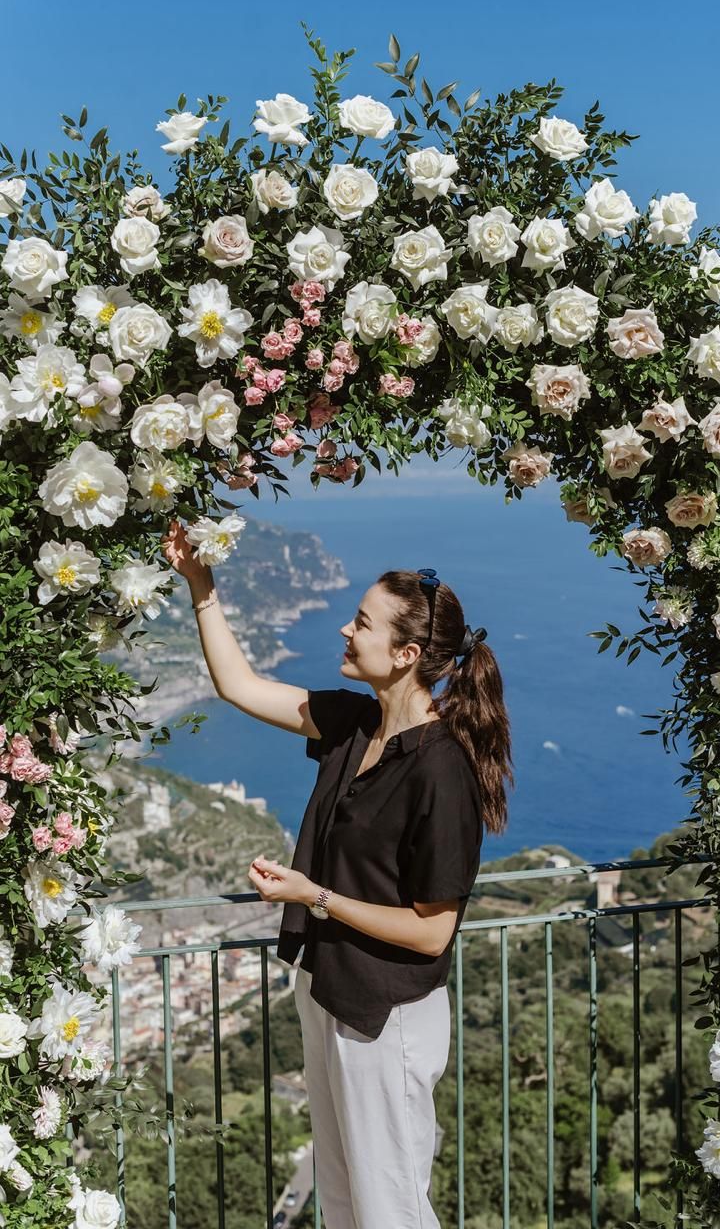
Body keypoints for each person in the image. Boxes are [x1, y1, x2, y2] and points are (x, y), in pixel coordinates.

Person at [162, 519, 514, 1228]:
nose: (346, 634)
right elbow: (239, 686)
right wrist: (202, 587)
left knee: (390, 1207)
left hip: (385, 1018)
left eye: (361, 624)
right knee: (347, 1201)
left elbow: (432, 932)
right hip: (326, 990)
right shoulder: (355, 725)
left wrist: (313, 895)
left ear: (407, 653)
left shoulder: (442, 770)